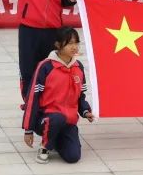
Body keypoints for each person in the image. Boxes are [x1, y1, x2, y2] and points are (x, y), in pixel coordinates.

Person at [22, 27, 94, 164]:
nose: (74, 47)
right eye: (70, 43)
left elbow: (81, 96)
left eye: (76, 43)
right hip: (46, 119)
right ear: (58, 44)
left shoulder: (78, 67)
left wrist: (85, 111)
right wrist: (28, 130)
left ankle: (54, 139)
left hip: (68, 122)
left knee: (73, 157)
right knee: (58, 118)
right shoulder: (45, 67)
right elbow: (32, 99)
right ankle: (45, 147)